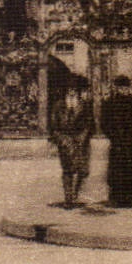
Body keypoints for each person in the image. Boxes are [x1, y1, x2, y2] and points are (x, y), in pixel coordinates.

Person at [101, 74, 132, 207]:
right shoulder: (109, 103)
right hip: (118, 143)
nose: (124, 90)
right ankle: (118, 197)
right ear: (116, 88)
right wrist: (112, 136)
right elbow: (104, 123)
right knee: (118, 171)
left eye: (126, 87)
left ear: (129, 87)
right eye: (121, 87)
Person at [48, 78, 95, 208]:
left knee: (82, 171)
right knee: (67, 170)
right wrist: (62, 139)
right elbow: (53, 127)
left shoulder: (84, 105)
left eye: (74, 90)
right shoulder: (58, 106)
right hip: (65, 143)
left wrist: (82, 137)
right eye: (69, 90)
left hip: (81, 143)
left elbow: (89, 125)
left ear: (78, 92)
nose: (72, 93)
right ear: (65, 92)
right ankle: (68, 198)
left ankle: (75, 192)